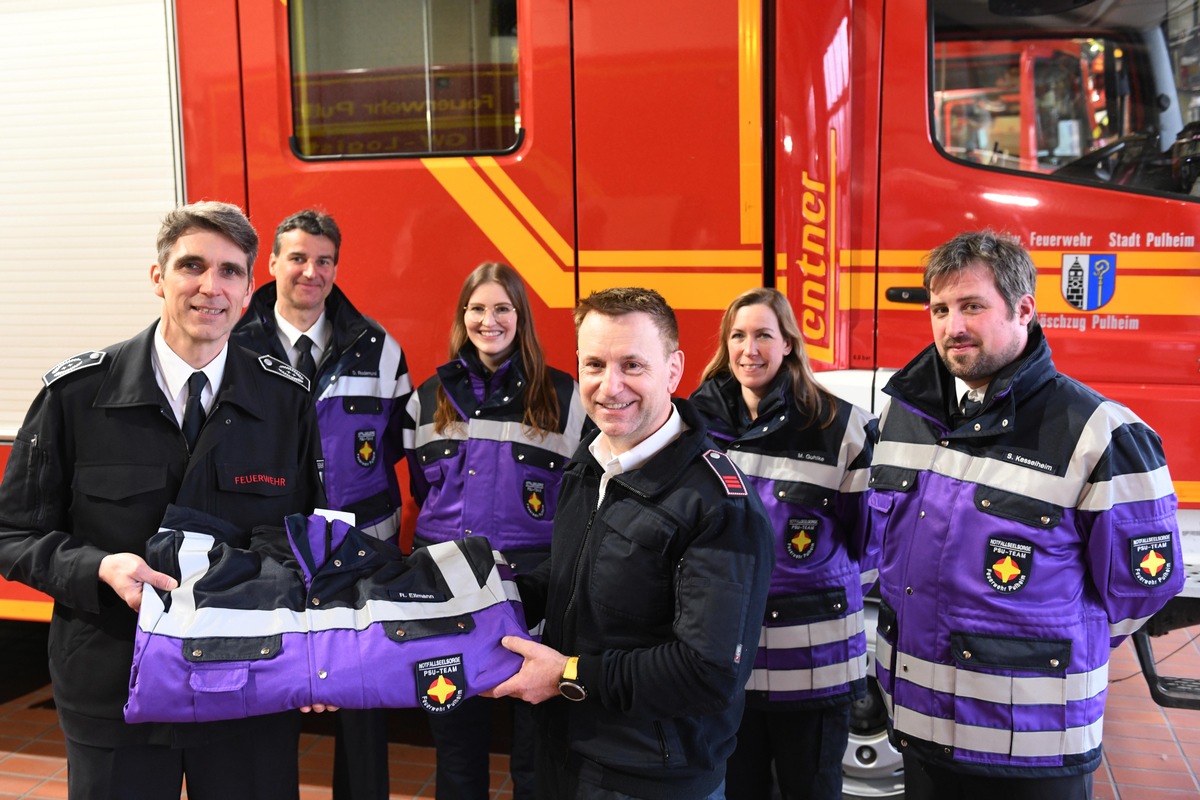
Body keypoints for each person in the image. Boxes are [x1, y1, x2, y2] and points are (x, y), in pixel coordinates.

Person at [0, 201, 325, 800]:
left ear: (251, 288)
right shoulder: (75, 395)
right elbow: (11, 534)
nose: (210, 286)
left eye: (230, 271)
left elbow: (307, 538)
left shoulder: (287, 401)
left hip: (246, 687)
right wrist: (96, 566)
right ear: (159, 277)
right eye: (191, 266)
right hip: (113, 687)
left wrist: (316, 646)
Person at [869, 230, 1184, 800]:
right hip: (921, 732)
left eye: (972, 306)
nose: (951, 327)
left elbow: (1141, 593)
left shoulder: (1101, 433)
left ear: (1024, 310)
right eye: (939, 309)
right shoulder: (904, 415)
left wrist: (1044, 646)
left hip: (1032, 749)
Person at [489, 286, 775, 800]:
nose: (609, 386)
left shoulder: (718, 505)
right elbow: (572, 580)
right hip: (564, 753)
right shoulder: (591, 458)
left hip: (651, 777)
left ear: (673, 369)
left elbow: (707, 672)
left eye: (633, 365)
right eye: (594, 364)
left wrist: (566, 676)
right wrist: (481, 595)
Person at [233, 208, 412, 800]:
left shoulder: (379, 347)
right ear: (274, 264)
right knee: (271, 687)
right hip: (269, 547)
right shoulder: (233, 342)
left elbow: (391, 445)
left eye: (324, 260)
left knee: (363, 695)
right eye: (298, 258)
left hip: (359, 546)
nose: (311, 271)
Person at [402, 262, 586, 799]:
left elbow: (581, 498)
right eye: (478, 308)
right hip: (445, 601)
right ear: (464, 317)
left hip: (534, 603)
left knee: (536, 753)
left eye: (502, 308)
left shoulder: (564, 398)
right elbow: (422, 492)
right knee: (456, 750)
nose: (490, 320)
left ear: (520, 317)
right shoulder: (427, 397)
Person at [689, 287, 877, 800]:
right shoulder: (693, 425)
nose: (750, 349)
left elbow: (867, 541)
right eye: (738, 336)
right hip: (729, 666)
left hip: (813, 667)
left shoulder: (841, 426)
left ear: (789, 343)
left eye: (763, 336)